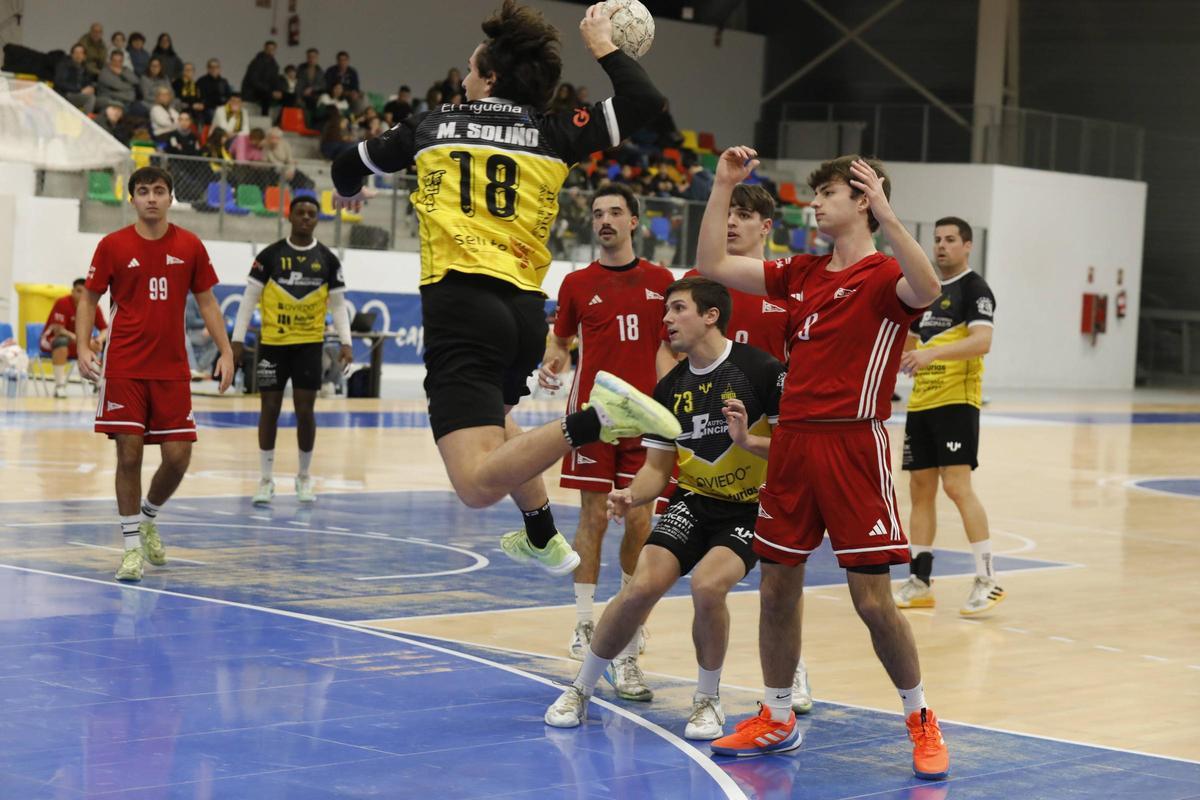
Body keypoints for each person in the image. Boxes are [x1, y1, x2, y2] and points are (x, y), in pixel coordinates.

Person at [330, 1, 677, 574]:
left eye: (471, 67)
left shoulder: (431, 125)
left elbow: (347, 165)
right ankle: (542, 531)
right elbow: (643, 102)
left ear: (489, 77)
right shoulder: (554, 132)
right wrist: (603, 47)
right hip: (521, 316)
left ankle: (597, 417)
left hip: (459, 306)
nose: (464, 76)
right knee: (496, 426)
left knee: (474, 485)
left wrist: (350, 186)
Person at [695, 147, 950, 780]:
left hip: (853, 447)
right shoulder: (802, 271)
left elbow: (930, 288)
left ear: (863, 200)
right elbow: (712, 265)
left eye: (827, 194)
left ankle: (921, 718)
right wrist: (724, 184)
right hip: (793, 446)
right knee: (777, 586)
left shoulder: (886, 276)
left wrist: (890, 215)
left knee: (872, 602)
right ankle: (777, 717)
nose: (814, 204)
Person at [545, 276, 785, 739]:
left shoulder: (760, 371)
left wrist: (745, 440)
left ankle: (707, 700)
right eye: (667, 310)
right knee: (639, 587)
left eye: (678, 309)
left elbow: (793, 454)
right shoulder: (669, 387)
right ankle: (581, 688)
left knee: (707, 586)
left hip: (751, 508)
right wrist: (631, 494)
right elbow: (658, 470)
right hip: (693, 502)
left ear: (711, 316)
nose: (667, 318)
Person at [670, 182, 813, 714]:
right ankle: (627, 646)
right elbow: (671, 356)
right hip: (700, 447)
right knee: (657, 553)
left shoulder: (787, 289)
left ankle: (792, 669)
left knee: (782, 569)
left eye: (745, 215)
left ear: (766, 227)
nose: (733, 222)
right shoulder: (697, 285)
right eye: (727, 213)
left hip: (763, 450)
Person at [75, 166, 234, 583]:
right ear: (131, 199)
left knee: (178, 457)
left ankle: (147, 517)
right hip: (125, 365)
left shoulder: (190, 245)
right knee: (128, 453)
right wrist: (80, 345)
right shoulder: (112, 245)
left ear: (169, 198)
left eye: (158, 191)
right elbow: (88, 300)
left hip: (172, 370)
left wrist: (226, 350)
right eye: (143, 191)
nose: (150, 198)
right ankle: (130, 550)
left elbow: (208, 304)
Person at [538, 183, 675, 661]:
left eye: (615, 212)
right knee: (593, 518)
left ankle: (629, 627)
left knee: (640, 521)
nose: (605, 221)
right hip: (592, 419)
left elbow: (678, 345)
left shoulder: (663, 281)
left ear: (634, 221)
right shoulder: (575, 284)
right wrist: (553, 363)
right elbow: (560, 343)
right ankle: (582, 624)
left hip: (649, 418)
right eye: (598, 214)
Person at [894, 216, 1002, 615]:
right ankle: (920, 580)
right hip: (921, 403)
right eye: (937, 239)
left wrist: (931, 353)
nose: (941, 246)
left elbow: (983, 341)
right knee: (920, 490)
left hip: (957, 401)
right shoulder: (926, 291)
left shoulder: (975, 289)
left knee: (957, 487)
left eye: (950, 239)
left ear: (967, 245)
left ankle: (988, 578)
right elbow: (907, 347)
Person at [231, 195, 353, 505]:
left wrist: (346, 342)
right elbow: (247, 301)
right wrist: (236, 341)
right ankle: (265, 480)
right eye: (301, 212)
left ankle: (303, 477)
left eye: (312, 213)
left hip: (309, 346)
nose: (306, 218)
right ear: (290, 215)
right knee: (268, 410)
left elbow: (338, 307)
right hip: (273, 345)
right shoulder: (270, 256)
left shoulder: (327, 260)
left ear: (317, 219)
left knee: (305, 412)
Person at [39, 279, 108, 399]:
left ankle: (101, 382)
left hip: (78, 344)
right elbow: (59, 331)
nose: (81, 295)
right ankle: (59, 386)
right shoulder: (62, 303)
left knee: (108, 343)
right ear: (72, 291)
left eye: (84, 292)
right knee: (61, 341)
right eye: (78, 291)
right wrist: (85, 342)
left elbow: (105, 329)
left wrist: (99, 340)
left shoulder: (93, 306)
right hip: (53, 342)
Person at [242, 40, 281, 115]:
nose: (270, 51)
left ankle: (278, 122)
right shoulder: (257, 62)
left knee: (286, 96)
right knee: (267, 96)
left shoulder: (274, 65)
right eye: (268, 49)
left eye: (272, 49)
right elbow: (254, 81)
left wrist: (278, 90)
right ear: (265, 49)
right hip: (252, 91)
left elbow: (275, 80)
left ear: (275, 50)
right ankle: (265, 118)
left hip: (264, 90)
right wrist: (270, 91)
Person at [55, 44, 96, 114]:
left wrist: (91, 88)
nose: (78, 55)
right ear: (71, 55)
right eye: (76, 53)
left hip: (78, 94)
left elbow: (88, 82)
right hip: (65, 95)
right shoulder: (64, 65)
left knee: (100, 100)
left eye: (81, 53)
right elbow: (60, 82)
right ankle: (85, 123)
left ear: (84, 56)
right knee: (90, 98)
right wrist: (79, 90)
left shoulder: (85, 68)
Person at [196, 59, 232, 124]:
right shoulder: (202, 81)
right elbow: (200, 98)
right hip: (208, 108)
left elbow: (229, 96)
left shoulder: (223, 82)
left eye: (216, 67)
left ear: (219, 68)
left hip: (223, 107)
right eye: (211, 67)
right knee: (213, 115)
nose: (214, 69)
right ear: (208, 68)